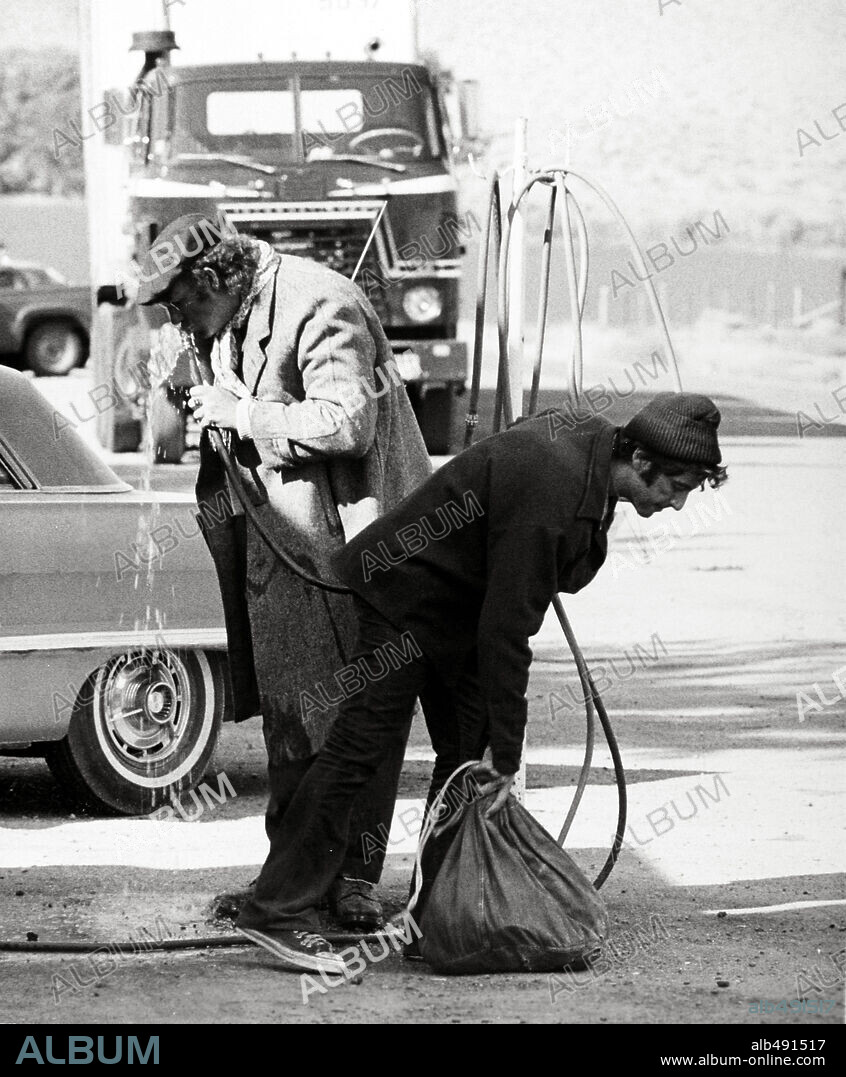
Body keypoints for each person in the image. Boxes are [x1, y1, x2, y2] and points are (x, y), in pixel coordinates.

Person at [231, 392, 727, 974]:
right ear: (641, 462)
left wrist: (492, 744)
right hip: (407, 594)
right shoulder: (557, 492)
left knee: (468, 759)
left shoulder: (590, 439)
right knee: (360, 749)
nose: (675, 503)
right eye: (676, 487)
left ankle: (437, 910)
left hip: (459, 608)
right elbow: (506, 631)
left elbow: (520, 443)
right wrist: (509, 749)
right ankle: (277, 912)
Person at [136, 213, 432, 938]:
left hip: (347, 546)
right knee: (290, 718)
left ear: (211, 278)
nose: (177, 320)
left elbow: (347, 422)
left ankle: (355, 879)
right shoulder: (227, 315)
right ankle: (290, 875)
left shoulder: (319, 301)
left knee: (352, 719)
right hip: (279, 545)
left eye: (179, 303)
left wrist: (244, 412)